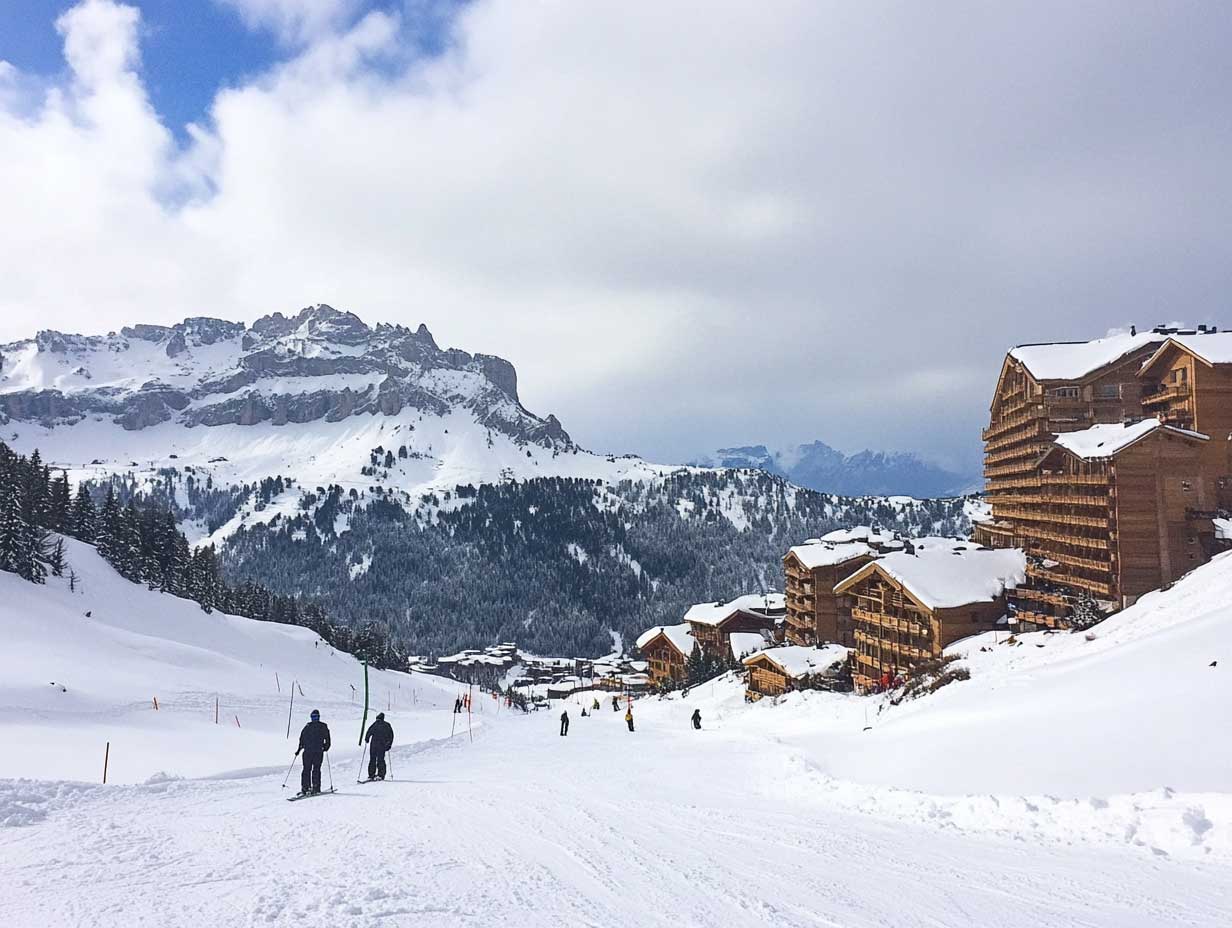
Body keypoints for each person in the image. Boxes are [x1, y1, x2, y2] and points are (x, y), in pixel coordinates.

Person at [296, 709, 332, 795]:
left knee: (316, 769)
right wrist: (299, 749)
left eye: (316, 717)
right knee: (306, 769)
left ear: (319, 717)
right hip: (308, 752)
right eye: (312, 717)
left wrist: (326, 747)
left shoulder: (323, 726)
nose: (314, 718)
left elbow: (327, 738)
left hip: (318, 751)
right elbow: (302, 739)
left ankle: (316, 787)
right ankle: (305, 788)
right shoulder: (307, 726)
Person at [364, 711, 394, 781]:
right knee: (380, 760)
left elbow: (369, 731)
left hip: (374, 745)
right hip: (382, 745)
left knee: (373, 759)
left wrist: (367, 739)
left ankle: (371, 775)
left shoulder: (375, 724)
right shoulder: (387, 725)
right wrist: (389, 744)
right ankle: (381, 775)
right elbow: (391, 736)